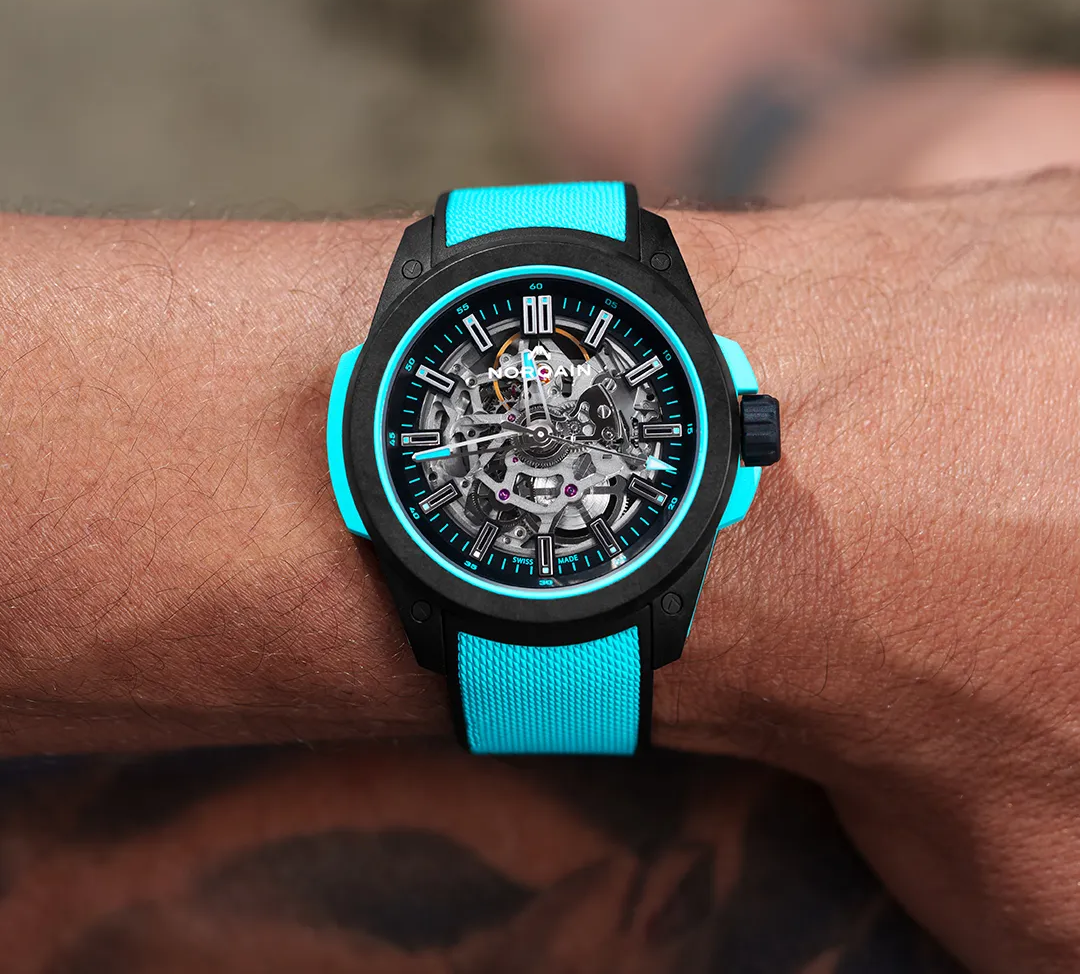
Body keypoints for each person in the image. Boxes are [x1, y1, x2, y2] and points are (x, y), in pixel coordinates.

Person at [0, 170, 1078, 972]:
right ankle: (763, 93)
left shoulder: (645, 450)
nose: (546, 435)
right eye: (522, 418)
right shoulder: (406, 447)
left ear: (739, 438)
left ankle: (765, 94)